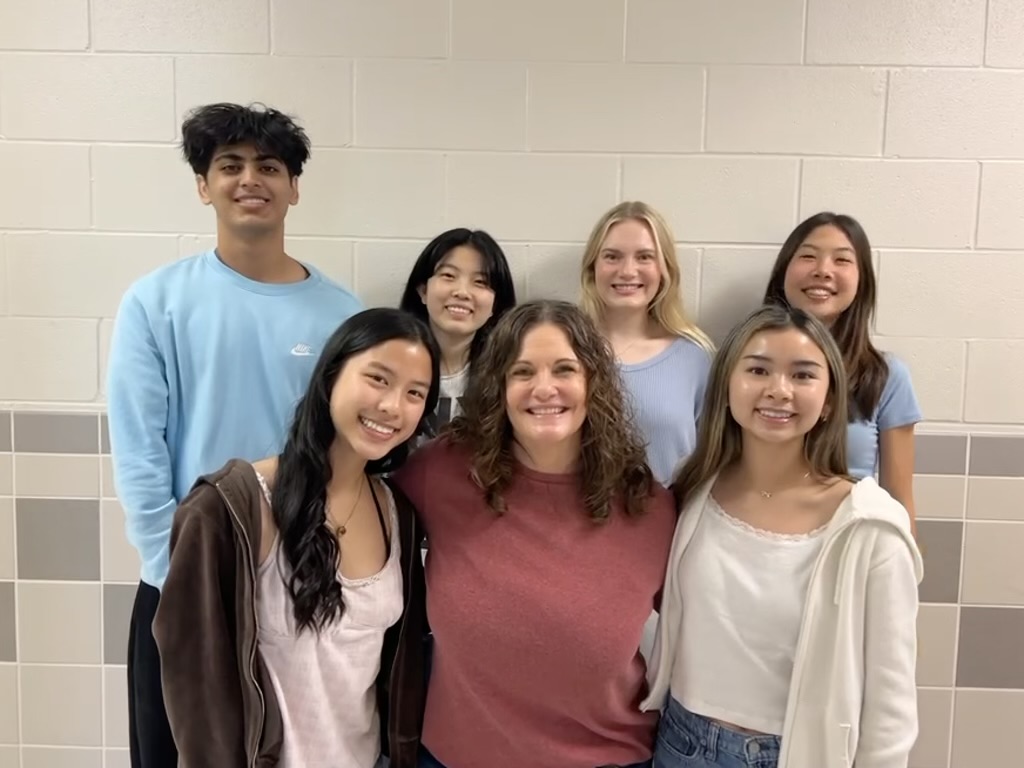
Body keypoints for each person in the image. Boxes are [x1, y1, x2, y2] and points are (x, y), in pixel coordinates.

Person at [106, 102, 363, 768]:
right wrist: (178, 577)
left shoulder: (342, 315)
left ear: (295, 187)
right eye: (230, 165)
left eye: (269, 166)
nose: (251, 179)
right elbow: (139, 454)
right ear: (203, 185)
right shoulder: (155, 302)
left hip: (297, 585)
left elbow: (348, 454)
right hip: (184, 583)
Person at [394, 300, 676, 768]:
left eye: (564, 369)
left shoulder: (649, 508)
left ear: (594, 383)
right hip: (453, 758)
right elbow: (350, 496)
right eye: (523, 372)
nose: (544, 388)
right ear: (499, 388)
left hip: (608, 758)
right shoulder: (442, 471)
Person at [153, 308, 439, 768]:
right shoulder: (230, 509)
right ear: (331, 376)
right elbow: (195, 685)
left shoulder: (398, 514)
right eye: (378, 379)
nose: (392, 406)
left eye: (415, 393)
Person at [644, 305, 922, 768]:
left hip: (795, 752)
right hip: (682, 743)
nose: (778, 390)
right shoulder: (692, 492)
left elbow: (890, 705)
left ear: (830, 398)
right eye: (757, 369)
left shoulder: (868, 526)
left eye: (803, 375)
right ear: (728, 385)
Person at [763, 212, 922, 531]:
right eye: (808, 256)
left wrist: (905, 571)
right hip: (761, 542)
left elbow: (899, 500)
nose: (822, 271)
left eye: (842, 260)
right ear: (783, 272)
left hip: (850, 546)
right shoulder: (745, 366)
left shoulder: (887, 376)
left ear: (862, 281)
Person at [580, 201, 713, 486]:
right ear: (593, 267)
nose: (628, 271)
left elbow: (712, 462)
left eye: (644, 257)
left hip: (668, 523)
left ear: (664, 269)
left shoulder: (695, 358)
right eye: (612, 257)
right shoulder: (567, 349)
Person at [398, 227, 516, 434]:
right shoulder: (391, 362)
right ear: (423, 291)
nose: (462, 292)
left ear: (495, 305)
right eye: (448, 275)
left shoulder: (508, 373)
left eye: (480, 282)